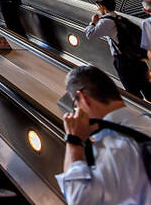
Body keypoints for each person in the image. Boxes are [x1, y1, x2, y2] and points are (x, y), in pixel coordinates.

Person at [56, 65, 151, 204]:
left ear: (84, 98)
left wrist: (73, 141)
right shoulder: (146, 121)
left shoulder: (113, 149)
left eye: (75, 105)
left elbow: (78, 200)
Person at [85, 0, 151, 100]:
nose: (97, 9)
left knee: (132, 92)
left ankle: (144, 112)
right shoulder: (121, 18)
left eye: (98, 6)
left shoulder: (105, 21)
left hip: (124, 61)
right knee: (146, 87)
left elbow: (90, 35)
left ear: (102, 6)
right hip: (137, 58)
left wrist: (92, 22)